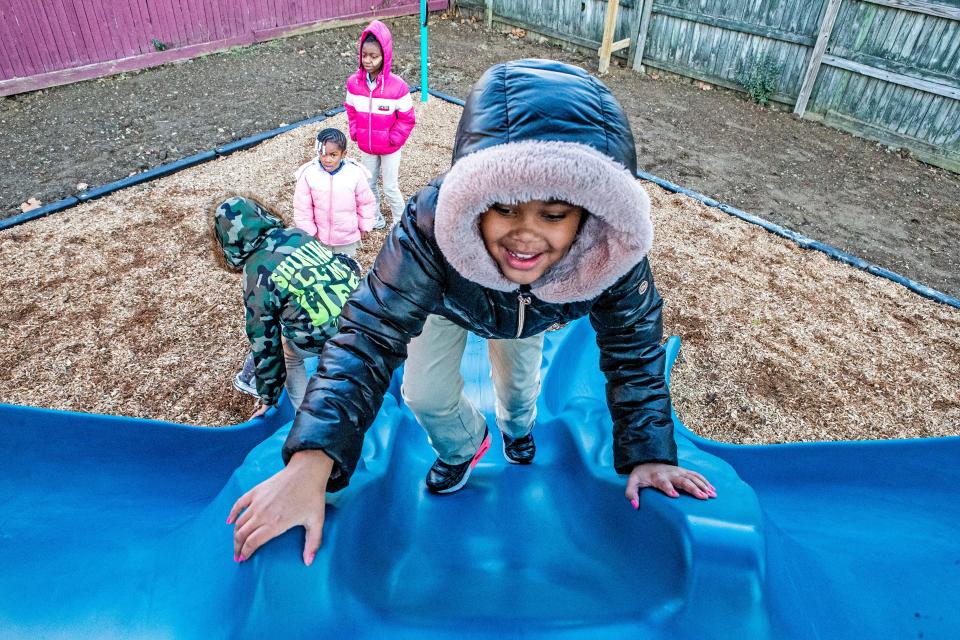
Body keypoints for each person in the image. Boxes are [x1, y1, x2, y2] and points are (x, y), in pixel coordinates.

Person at [228, 60, 716, 566]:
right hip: (448, 301)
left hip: (535, 311)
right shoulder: (431, 227)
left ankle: (517, 428)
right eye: (504, 209)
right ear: (475, 197)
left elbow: (634, 350)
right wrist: (312, 460)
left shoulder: (607, 253)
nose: (525, 236)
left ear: (589, 217)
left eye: (552, 216)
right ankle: (464, 445)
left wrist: (650, 452)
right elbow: (367, 333)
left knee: (520, 387)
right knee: (424, 392)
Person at [210, 195, 360, 415]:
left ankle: (307, 415)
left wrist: (268, 396)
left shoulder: (255, 271)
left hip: (331, 335)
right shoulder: (298, 235)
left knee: (288, 350)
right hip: (362, 315)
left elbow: (263, 339)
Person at [344, 20, 416, 229]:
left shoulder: (398, 87)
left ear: (384, 56)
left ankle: (400, 223)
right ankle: (375, 217)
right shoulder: (354, 83)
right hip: (367, 146)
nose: (368, 60)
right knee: (368, 183)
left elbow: (407, 118)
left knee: (390, 186)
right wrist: (355, 131)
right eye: (364, 55)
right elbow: (351, 110)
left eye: (374, 56)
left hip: (390, 148)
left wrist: (393, 139)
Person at [293, 127, 377, 259]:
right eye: (323, 153)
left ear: (343, 154)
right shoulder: (308, 174)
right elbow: (302, 208)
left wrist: (365, 226)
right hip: (320, 238)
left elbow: (366, 202)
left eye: (333, 155)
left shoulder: (355, 173)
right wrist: (309, 231)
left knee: (346, 269)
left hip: (347, 238)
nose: (327, 159)